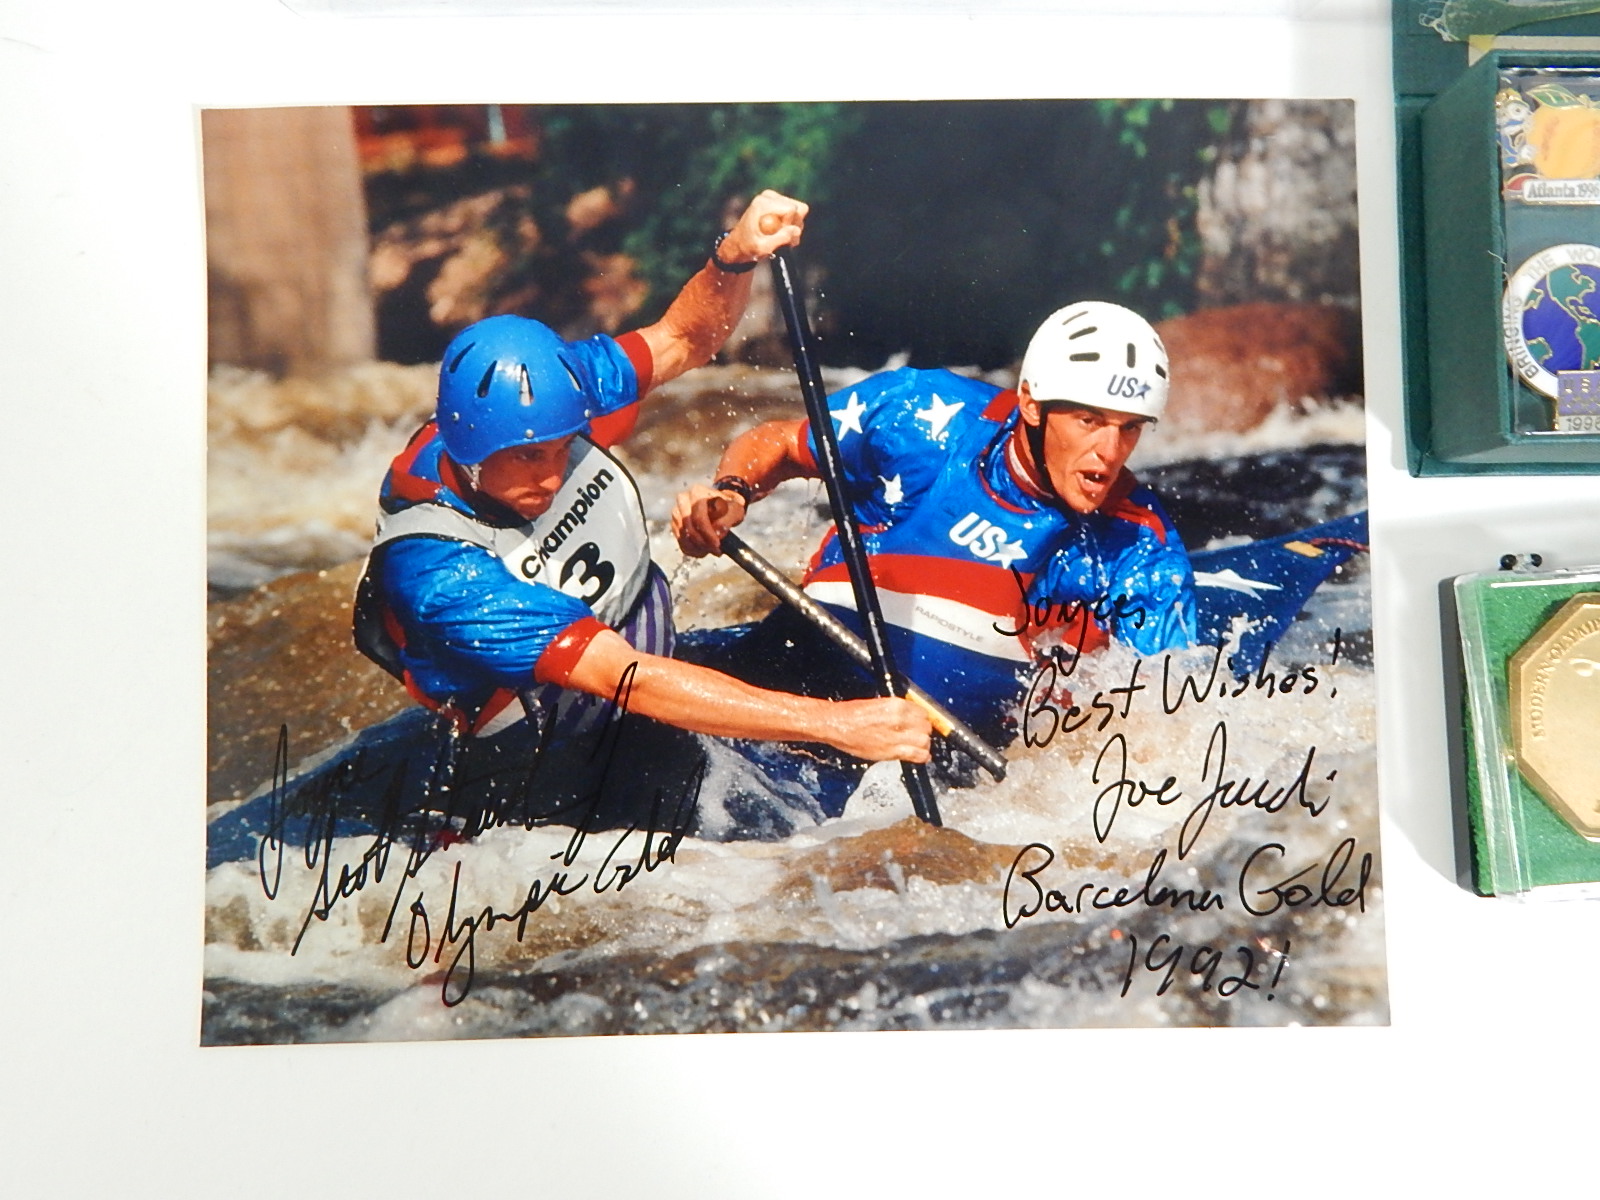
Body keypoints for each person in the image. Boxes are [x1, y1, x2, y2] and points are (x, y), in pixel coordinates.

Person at [351, 190, 931, 835]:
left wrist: (734, 258)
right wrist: (838, 726)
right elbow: (625, 676)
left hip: (639, 703)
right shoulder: (437, 573)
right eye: (523, 460)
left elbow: (685, 338)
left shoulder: (559, 390)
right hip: (543, 774)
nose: (549, 474)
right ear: (468, 451)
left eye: (558, 448)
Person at [671, 300, 1197, 758]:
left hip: (928, 751)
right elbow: (782, 442)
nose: (1109, 454)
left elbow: (1156, 722)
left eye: (1129, 428)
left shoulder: (1139, 548)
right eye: (1089, 421)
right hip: (790, 670)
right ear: (1032, 404)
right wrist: (731, 494)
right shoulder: (923, 417)